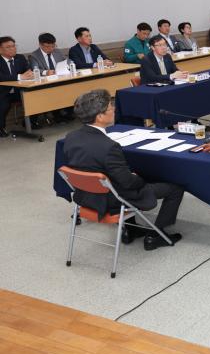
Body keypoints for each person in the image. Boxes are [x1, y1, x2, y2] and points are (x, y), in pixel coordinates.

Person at [63, 89, 184, 250]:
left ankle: (131, 230)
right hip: (112, 198)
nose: (114, 109)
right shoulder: (109, 146)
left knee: (125, 176)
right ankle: (156, 236)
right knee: (175, 188)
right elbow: (128, 183)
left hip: (85, 195)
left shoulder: (71, 137)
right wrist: (140, 177)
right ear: (99, 117)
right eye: (110, 107)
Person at [0, 36, 34, 137]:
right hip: (3, 92)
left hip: (19, 90)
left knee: (35, 97)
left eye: (14, 46)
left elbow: (28, 70)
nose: (13, 49)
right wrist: (20, 77)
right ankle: (1, 128)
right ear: (0, 49)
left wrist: (30, 74)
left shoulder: (20, 58)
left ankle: (29, 122)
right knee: (3, 104)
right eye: (8, 47)